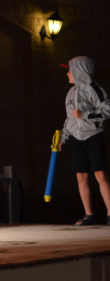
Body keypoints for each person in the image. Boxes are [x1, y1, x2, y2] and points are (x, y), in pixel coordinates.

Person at [57, 56, 110, 226]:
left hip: (93, 135)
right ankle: (89, 215)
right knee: (80, 175)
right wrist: (63, 138)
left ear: (80, 71)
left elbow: (107, 110)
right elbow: (70, 120)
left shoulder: (93, 88)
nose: (67, 74)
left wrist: (85, 115)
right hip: (77, 139)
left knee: (100, 173)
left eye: (70, 71)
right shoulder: (70, 93)